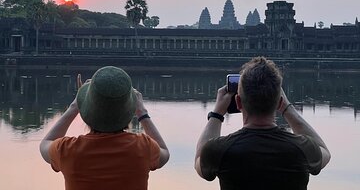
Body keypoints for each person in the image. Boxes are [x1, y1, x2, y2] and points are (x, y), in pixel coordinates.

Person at [195, 56, 331, 190]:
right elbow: (324, 152)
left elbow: (199, 161)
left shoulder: (220, 150)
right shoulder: (301, 148)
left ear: (238, 102)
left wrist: (216, 114)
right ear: (279, 102)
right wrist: (287, 108)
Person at [40, 66, 170, 190]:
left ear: (86, 110)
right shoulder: (143, 147)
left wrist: (74, 107)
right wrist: (142, 113)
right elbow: (164, 152)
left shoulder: (68, 150)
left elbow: (45, 144)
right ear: (129, 110)